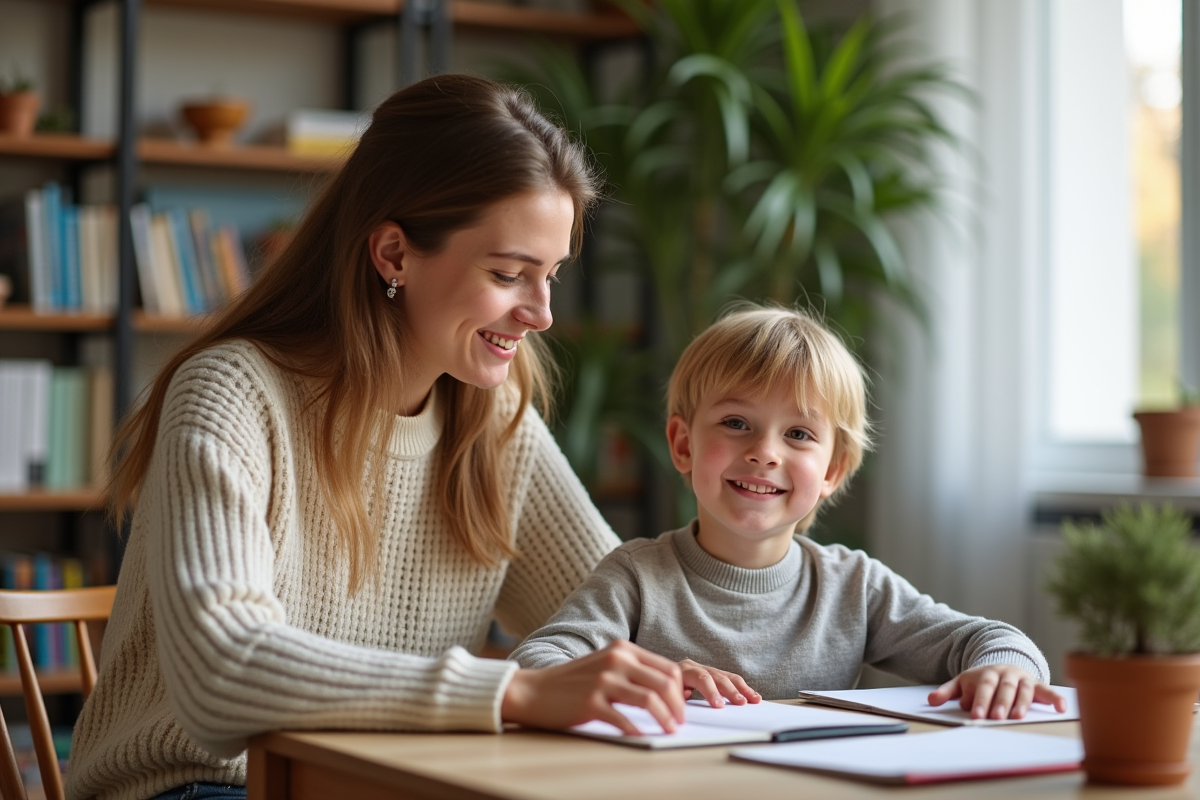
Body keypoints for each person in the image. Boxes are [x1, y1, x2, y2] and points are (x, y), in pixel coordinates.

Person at [66, 74, 695, 800]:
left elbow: (628, 618)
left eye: (549, 276)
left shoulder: (491, 422)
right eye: (509, 274)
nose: (542, 313)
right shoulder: (232, 393)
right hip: (194, 788)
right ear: (393, 253)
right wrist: (511, 694)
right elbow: (223, 674)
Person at [511, 305, 1067, 728]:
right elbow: (536, 661)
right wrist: (641, 676)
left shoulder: (853, 586)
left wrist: (1007, 668)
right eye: (735, 423)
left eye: (798, 434)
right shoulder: (635, 575)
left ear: (833, 470)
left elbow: (985, 639)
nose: (765, 452)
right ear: (682, 445)